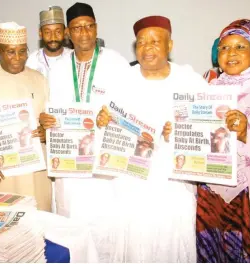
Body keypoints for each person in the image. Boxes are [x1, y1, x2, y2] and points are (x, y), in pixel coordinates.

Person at [96, 16, 207, 262]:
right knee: (135, 246)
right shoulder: (121, 80)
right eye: (142, 42)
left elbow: (208, 131)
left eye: (155, 41)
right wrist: (102, 122)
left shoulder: (190, 81)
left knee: (173, 245)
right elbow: (105, 126)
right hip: (131, 184)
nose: (147, 48)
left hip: (173, 186)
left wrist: (181, 133)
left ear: (170, 45)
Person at [197, 19, 250, 262]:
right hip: (210, 191)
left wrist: (247, 133)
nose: (230, 53)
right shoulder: (207, 87)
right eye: (224, 48)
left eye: (240, 47)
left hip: (249, 192)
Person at [43, 1, 129, 220]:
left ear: (96, 28)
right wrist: (46, 121)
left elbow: (130, 108)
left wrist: (113, 117)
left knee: (106, 223)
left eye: (89, 26)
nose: (84, 33)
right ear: (67, 33)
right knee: (72, 221)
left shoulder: (116, 62)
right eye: (77, 28)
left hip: (105, 161)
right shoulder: (58, 68)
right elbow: (52, 108)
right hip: (69, 162)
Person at [0, 22, 51, 212]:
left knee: (40, 229)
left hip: (36, 174)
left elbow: (49, 120)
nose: (17, 58)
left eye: (22, 52)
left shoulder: (39, 80)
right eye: (10, 52)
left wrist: (47, 131)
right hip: (0, 175)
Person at [26, 6, 72, 78]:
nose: (53, 37)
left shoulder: (73, 57)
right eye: (47, 32)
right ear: (40, 33)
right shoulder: (33, 60)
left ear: (65, 32)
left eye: (58, 32)